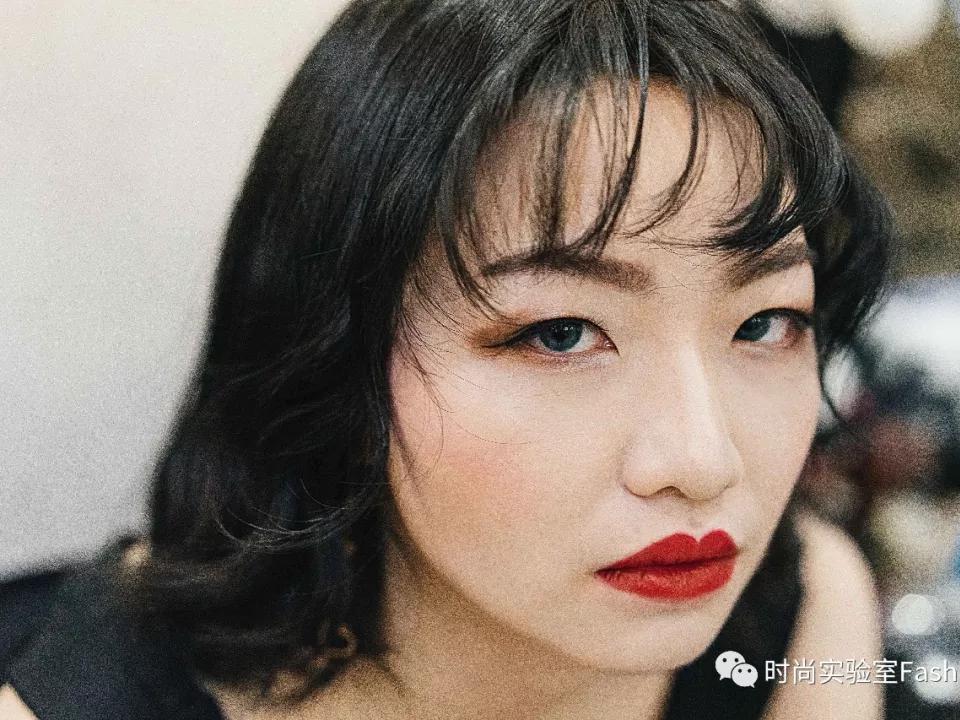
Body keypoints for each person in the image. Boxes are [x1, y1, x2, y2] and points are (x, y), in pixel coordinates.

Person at [0, 0, 891, 718]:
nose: (702, 462)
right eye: (561, 334)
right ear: (338, 365)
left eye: (765, 323)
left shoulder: (801, 613)